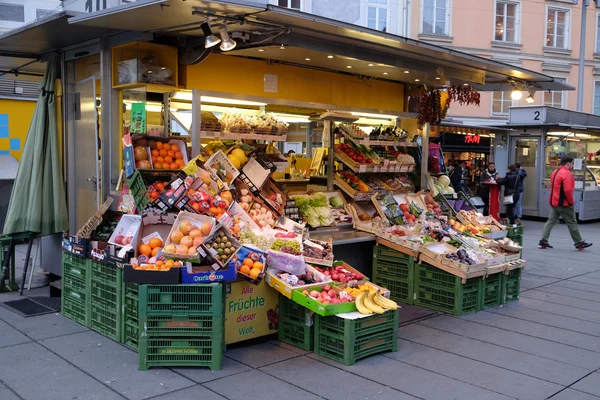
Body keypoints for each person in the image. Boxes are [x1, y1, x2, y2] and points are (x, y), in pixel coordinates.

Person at [539, 156, 592, 250]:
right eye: (571, 163)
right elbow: (568, 190)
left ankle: (543, 240)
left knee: (550, 222)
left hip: (554, 201)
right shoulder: (567, 174)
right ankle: (579, 243)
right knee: (572, 222)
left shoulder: (555, 172)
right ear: (568, 163)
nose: (572, 165)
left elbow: (553, 187)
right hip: (564, 203)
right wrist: (571, 202)